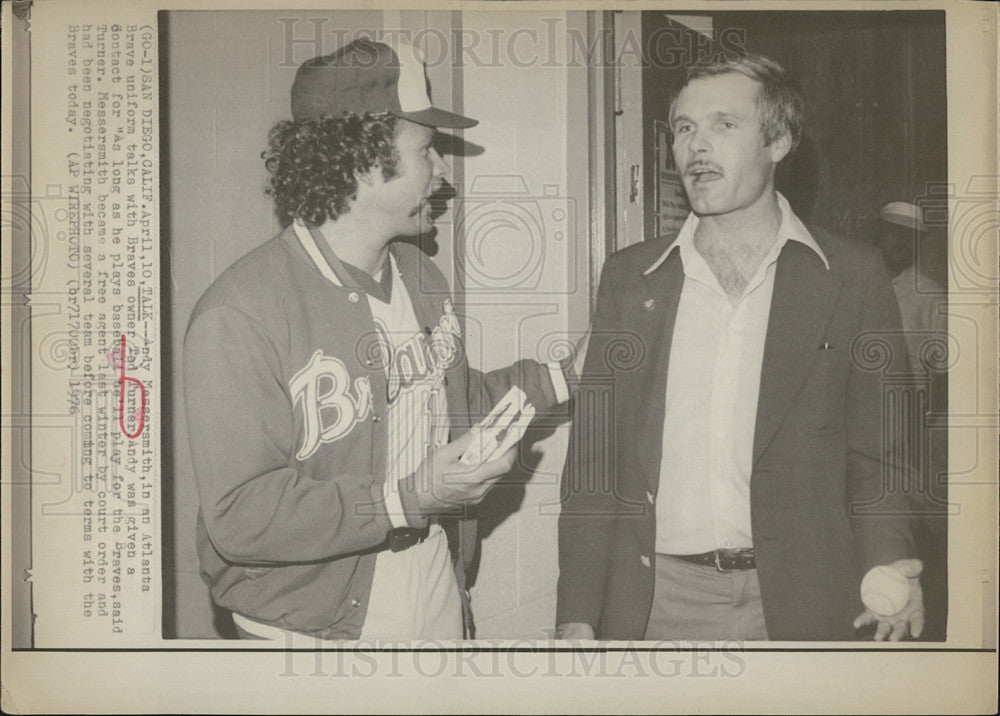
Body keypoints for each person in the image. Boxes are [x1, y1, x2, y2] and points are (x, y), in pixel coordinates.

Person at [184, 38, 570, 642]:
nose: (443, 171)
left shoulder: (421, 277)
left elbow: (457, 405)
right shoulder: (241, 312)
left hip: (435, 580)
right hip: (310, 625)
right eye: (427, 148)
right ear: (365, 161)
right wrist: (408, 497)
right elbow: (241, 515)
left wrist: (555, 377)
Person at [556, 53, 925, 642]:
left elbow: (881, 455)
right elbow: (593, 465)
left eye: (724, 124)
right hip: (655, 604)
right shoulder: (631, 279)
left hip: (806, 600)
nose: (696, 147)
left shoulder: (851, 276)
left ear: (778, 141)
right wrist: (576, 611)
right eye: (684, 128)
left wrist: (889, 564)